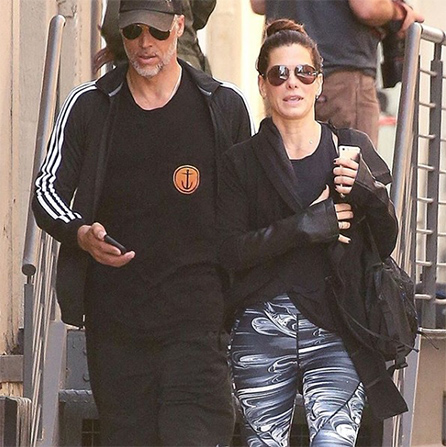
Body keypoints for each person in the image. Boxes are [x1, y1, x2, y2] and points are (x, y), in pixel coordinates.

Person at [32, 0, 252, 445]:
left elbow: (247, 207)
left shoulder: (222, 105)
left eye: (156, 31)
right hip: (117, 327)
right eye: (132, 32)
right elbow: (46, 188)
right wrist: (80, 233)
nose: (145, 43)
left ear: (179, 26)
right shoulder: (91, 103)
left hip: (198, 323)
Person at [217, 19, 407, 446]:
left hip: (337, 327)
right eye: (279, 74)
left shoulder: (350, 148)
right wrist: (304, 226)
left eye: (304, 72)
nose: (293, 83)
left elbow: (386, 241)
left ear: (319, 82)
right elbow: (228, 251)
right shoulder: (240, 162)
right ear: (263, 85)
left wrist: (369, 191)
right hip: (261, 327)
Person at [250, 0, 424, 146]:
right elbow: (367, 8)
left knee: (285, 168)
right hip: (342, 75)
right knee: (354, 170)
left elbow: (258, 4)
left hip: (281, 76)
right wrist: (398, 12)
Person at [94, 0, 216, 74]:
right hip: (187, 59)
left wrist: (118, 47)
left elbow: (113, 26)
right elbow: (202, 12)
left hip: (140, 67)